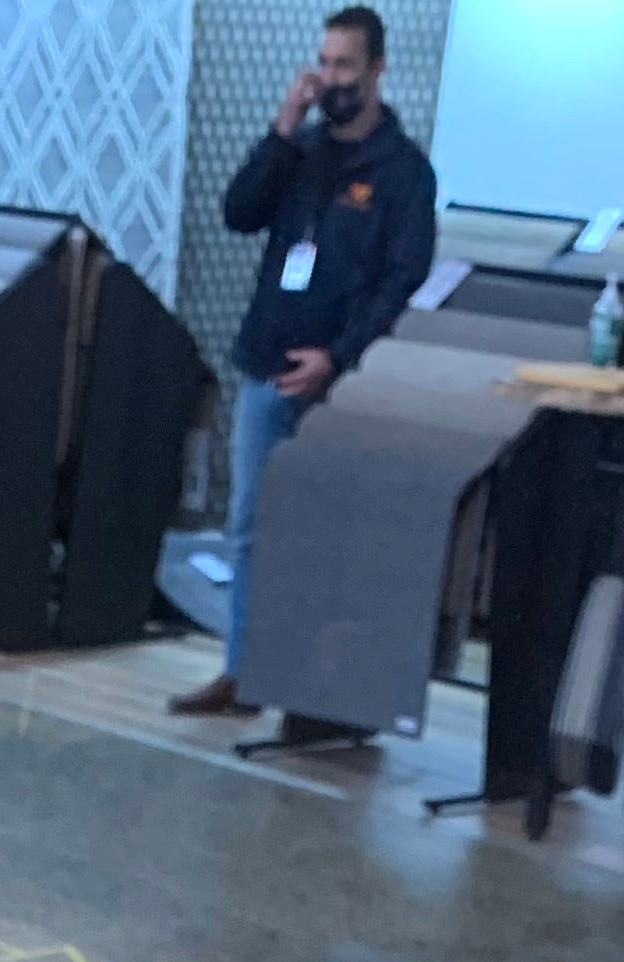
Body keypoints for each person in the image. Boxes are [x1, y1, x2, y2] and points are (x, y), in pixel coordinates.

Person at [169, 5, 436, 726]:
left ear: (378, 69)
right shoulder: (303, 149)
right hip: (269, 366)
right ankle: (244, 673)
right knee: (251, 525)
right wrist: (282, 129)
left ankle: (317, 692)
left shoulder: (404, 172)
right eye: (324, 63)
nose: (331, 79)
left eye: (346, 65)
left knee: (326, 539)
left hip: (342, 387)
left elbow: (401, 282)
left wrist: (338, 357)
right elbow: (239, 212)